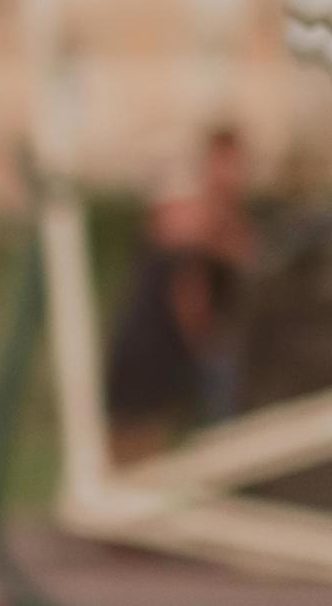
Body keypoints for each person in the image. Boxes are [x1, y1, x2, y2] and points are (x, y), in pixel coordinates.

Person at [106, 124, 255, 465]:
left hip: (184, 354)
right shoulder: (186, 217)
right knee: (134, 448)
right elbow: (189, 281)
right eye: (224, 163)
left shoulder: (229, 220)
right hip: (152, 349)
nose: (232, 175)